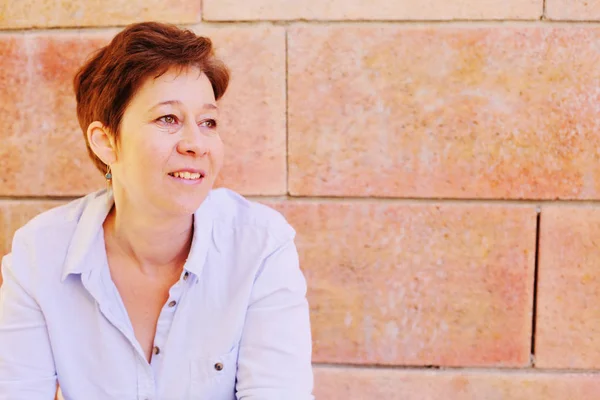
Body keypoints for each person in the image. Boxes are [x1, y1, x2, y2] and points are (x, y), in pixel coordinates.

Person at [0, 21, 314, 400]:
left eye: (208, 122)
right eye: (168, 118)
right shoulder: (40, 254)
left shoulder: (259, 245)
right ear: (105, 142)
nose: (197, 144)